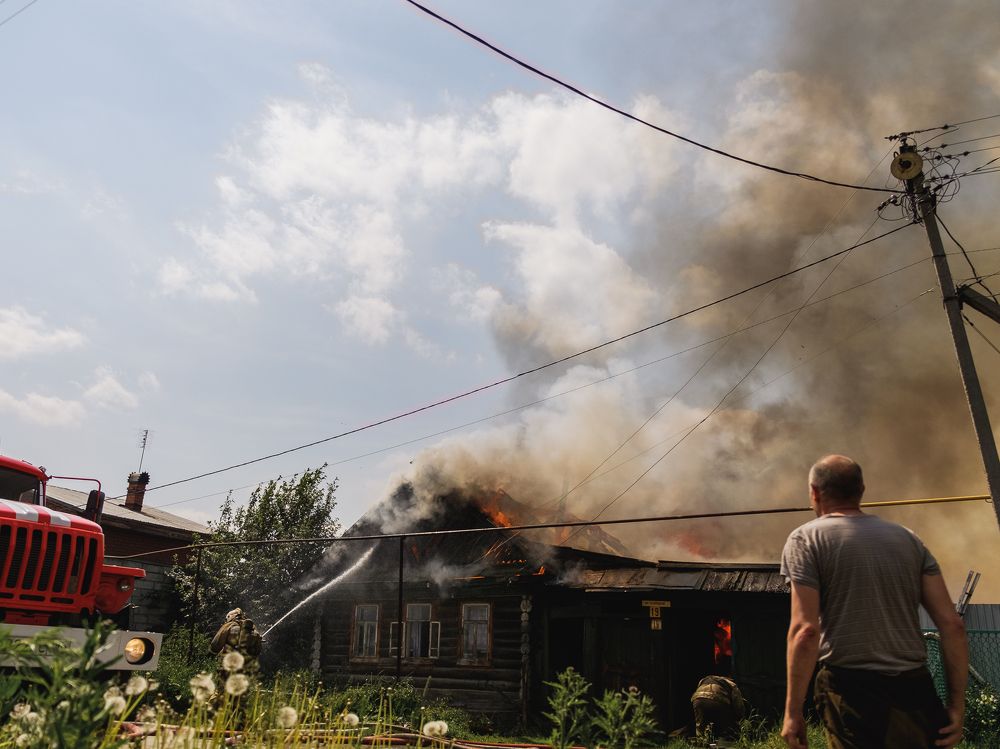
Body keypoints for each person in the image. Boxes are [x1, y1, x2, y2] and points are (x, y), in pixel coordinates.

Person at [780, 455, 968, 749]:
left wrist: (793, 712)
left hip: (852, 691)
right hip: (914, 690)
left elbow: (805, 631)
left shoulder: (805, 540)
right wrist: (957, 706)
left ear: (814, 492)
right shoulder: (909, 540)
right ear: (861, 490)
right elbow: (953, 625)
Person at [690, 674, 745, 741]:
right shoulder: (731, 684)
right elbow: (738, 705)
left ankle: (701, 742)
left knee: (701, 726)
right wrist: (740, 717)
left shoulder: (704, 680)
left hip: (698, 700)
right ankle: (723, 742)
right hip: (717, 700)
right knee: (724, 728)